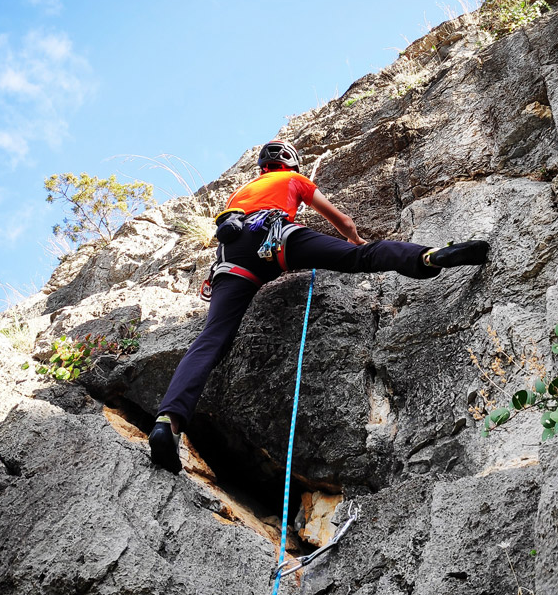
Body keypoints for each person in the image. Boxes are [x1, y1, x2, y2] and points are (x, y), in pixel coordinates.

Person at [148, 139, 489, 474]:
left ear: (261, 167)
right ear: (290, 164)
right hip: (278, 237)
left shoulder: (239, 193)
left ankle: (169, 422)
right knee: (362, 258)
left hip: (232, 257)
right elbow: (343, 221)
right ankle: (427, 256)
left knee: (212, 339)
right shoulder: (294, 180)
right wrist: (355, 241)